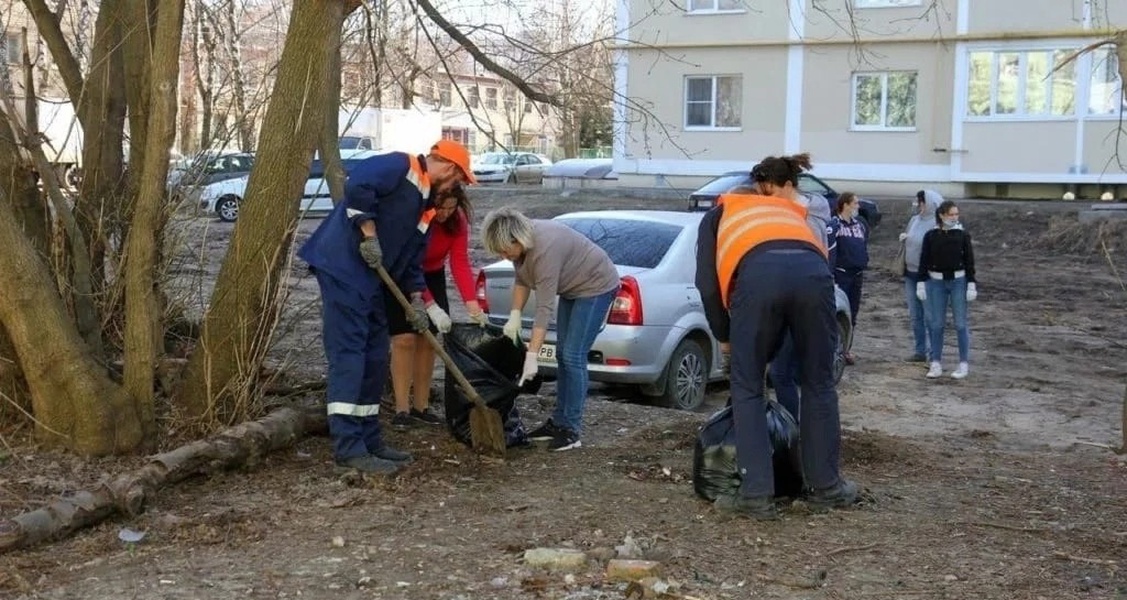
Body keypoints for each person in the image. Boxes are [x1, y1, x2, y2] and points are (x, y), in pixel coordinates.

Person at [696, 152, 858, 520]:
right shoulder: (788, 213)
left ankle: (755, 495)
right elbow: (800, 267)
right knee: (818, 382)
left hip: (761, 279)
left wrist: (726, 335)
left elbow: (707, 286)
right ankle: (827, 486)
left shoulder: (720, 214)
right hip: (816, 278)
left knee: (749, 385)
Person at [298, 140, 475, 474]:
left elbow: (411, 262)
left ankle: (370, 439)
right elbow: (358, 185)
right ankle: (348, 447)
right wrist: (368, 234)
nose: (456, 188)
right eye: (458, 180)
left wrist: (418, 304)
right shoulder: (401, 166)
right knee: (350, 356)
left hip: (372, 281)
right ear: (450, 169)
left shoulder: (425, 207)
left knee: (376, 356)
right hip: (343, 269)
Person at [481, 207, 619, 452]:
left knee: (573, 356)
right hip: (573, 289)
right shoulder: (520, 248)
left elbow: (544, 309)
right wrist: (514, 316)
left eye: (505, 249)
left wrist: (532, 355)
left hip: (596, 286)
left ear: (517, 239)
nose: (504, 255)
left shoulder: (545, 249)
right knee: (562, 355)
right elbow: (523, 279)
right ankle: (559, 421)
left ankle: (571, 430)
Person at [388, 184, 487, 429]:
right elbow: (411, 263)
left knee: (428, 339)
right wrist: (429, 304)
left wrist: (472, 304)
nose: (445, 213)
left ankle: (421, 407)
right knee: (404, 339)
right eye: (441, 207)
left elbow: (460, 262)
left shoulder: (458, 221)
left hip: (433, 274)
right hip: (404, 273)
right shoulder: (419, 217)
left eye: (451, 208)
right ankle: (402, 409)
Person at [916, 199, 977, 380]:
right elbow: (924, 260)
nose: (954, 217)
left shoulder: (962, 235)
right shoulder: (931, 236)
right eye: (951, 214)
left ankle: (963, 363)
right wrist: (921, 282)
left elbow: (969, 260)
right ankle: (935, 362)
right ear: (942, 215)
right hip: (936, 283)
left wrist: (971, 283)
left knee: (960, 324)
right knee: (936, 324)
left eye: (956, 214)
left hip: (958, 281)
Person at [901, 190, 942, 362]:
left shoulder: (936, 224)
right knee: (915, 315)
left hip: (928, 277)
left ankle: (934, 354)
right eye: (919, 202)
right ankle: (920, 351)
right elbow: (911, 238)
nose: (919, 205)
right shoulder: (915, 220)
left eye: (922, 202)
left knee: (930, 316)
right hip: (910, 274)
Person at [828, 192, 870, 365]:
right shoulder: (834, 225)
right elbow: (830, 251)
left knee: (852, 314)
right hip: (841, 274)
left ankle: (846, 349)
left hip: (857, 275)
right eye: (855, 203)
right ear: (845, 205)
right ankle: (833, 349)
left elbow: (863, 245)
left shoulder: (859, 225)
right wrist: (831, 275)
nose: (858, 206)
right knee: (838, 312)